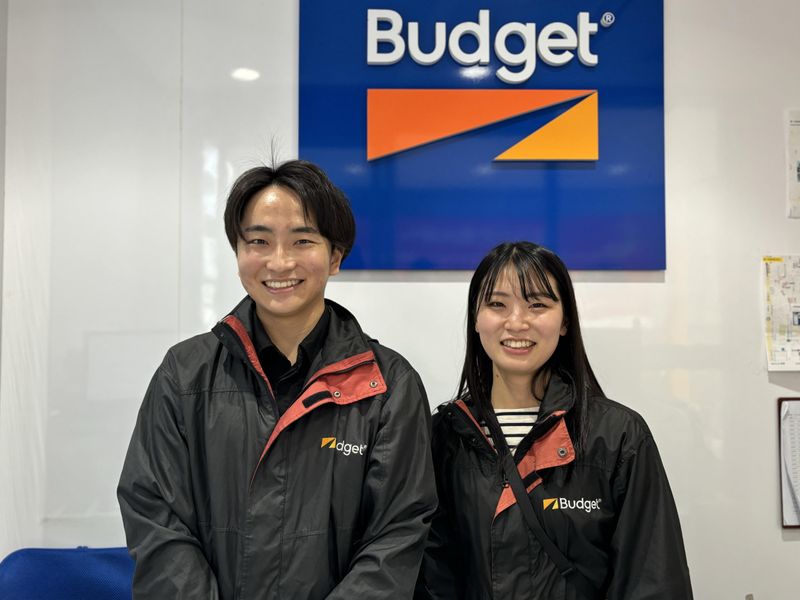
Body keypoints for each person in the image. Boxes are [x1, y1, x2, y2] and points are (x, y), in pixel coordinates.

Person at [118, 159, 436, 600]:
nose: (279, 261)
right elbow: (154, 513)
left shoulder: (388, 386)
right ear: (237, 253)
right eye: (259, 241)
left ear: (335, 256)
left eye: (302, 240)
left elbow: (396, 534)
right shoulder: (184, 374)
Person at [416, 241, 693, 599]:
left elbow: (654, 579)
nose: (517, 322)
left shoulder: (617, 436)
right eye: (497, 304)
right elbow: (429, 577)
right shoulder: (443, 436)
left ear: (565, 322)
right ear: (476, 318)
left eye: (537, 305)